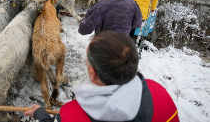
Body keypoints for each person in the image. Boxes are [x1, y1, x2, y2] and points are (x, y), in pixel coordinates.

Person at [24, 30, 180, 122]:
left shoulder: (72, 114)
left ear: (92, 73)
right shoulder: (160, 93)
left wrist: (41, 114)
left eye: (87, 60)